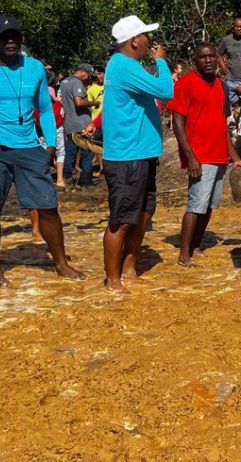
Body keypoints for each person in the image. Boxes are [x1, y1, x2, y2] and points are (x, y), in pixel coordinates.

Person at [0, 15, 83, 285]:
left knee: (48, 206)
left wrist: (50, 144)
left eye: (15, 35)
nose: (10, 41)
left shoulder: (35, 67)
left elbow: (45, 108)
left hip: (30, 147)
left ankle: (60, 263)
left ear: (21, 38)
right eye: (4, 37)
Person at [101, 15, 173, 290]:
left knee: (143, 213)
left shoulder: (123, 65)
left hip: (140, 153)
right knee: (121, 220)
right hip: (127, 157)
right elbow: (166, 90)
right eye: (145, 36)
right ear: (134, 40)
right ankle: (113, 279)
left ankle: (129, 268)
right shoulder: (124, 66)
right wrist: (161, 61)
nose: (149, 41)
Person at [169, 43, 241, 268]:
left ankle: (196, 245)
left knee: (209, 205)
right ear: (195, 61)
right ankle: (184, 254)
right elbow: (177, 122)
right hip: (200, 155)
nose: (208, 60)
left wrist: (234, 156)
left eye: (212, 56)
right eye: (203, 57)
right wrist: (191, 157)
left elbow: (222, 124)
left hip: (219, 154)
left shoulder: (220, 85)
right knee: (196, 205)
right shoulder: (185, 83)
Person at [59, 62, 96, 188]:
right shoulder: (77, 83)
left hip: (69, 124)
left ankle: (68, 181)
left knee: (70, 153)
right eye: (88, 75)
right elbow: (79, 102)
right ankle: (86, 182)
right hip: (81, 124)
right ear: (82, 72)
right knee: (87, 153)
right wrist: (94, 103)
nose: (89, 78)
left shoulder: (64, 82)